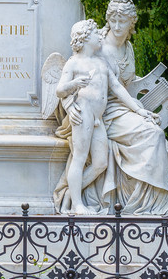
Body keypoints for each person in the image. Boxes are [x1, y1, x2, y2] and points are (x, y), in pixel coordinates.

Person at [93, 0, 168, 216]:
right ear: (108, 20)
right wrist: (137, 109)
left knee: (154, 129)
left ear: (132, 23)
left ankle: (154, 201)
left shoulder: (128, 49)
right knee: (153, 134)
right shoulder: (98, 47)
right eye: (114, 20)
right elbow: (112, 88)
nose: (117, 26)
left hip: (125, 108)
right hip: (106, 112)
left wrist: (167, 94)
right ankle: (160, 202)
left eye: (123, 21)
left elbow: (130, 83)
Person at [54, 19, 154, 215]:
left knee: (101, 163)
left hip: (98, 117)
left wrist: (138, 110)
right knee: (80, 157)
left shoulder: (100, 63)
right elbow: (59, 90)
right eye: (94, 34)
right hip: (83, 114)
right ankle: (77, 204)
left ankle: (71, 194)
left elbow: (117, 88)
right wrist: (75, 83)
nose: (99, 36)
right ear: (83, 38)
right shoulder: (74, 62)